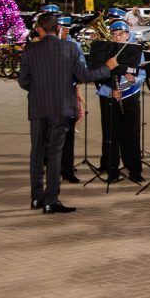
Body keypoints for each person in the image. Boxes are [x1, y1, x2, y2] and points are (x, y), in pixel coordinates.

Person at [18, 12, 117, 213]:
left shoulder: (30, 49)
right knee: (55, 153)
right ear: (58, 29)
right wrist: (107, 68)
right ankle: (51, 200)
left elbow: (23, 81)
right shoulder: (70, 47)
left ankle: (37, 198)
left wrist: (39, 90)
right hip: (61, 107)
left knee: (36, 153)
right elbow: (83, 75)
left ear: (39, 29)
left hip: (38, 107)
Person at [96, 20, 147, 184]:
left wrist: (135, 79)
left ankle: (134, 169)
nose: (118, 37)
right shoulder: (105, 51)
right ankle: (112, 170)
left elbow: (144, 73)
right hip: (110, 97)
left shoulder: (136, 51)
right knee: (111, 135)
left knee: (131, 135)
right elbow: (96, 77)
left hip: (130, 96)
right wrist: (109, 91)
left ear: (127, 34)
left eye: (121, 34)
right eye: (115, 35)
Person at [57, 16, 83, 183]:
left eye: (67, 29)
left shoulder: (74, 46)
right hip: (51, 97)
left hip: (68, 93)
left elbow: (82, 67)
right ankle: (50, 167)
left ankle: (67, 170)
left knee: (68, 136)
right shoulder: (44, 45)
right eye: (61, 28)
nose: (65, 32)